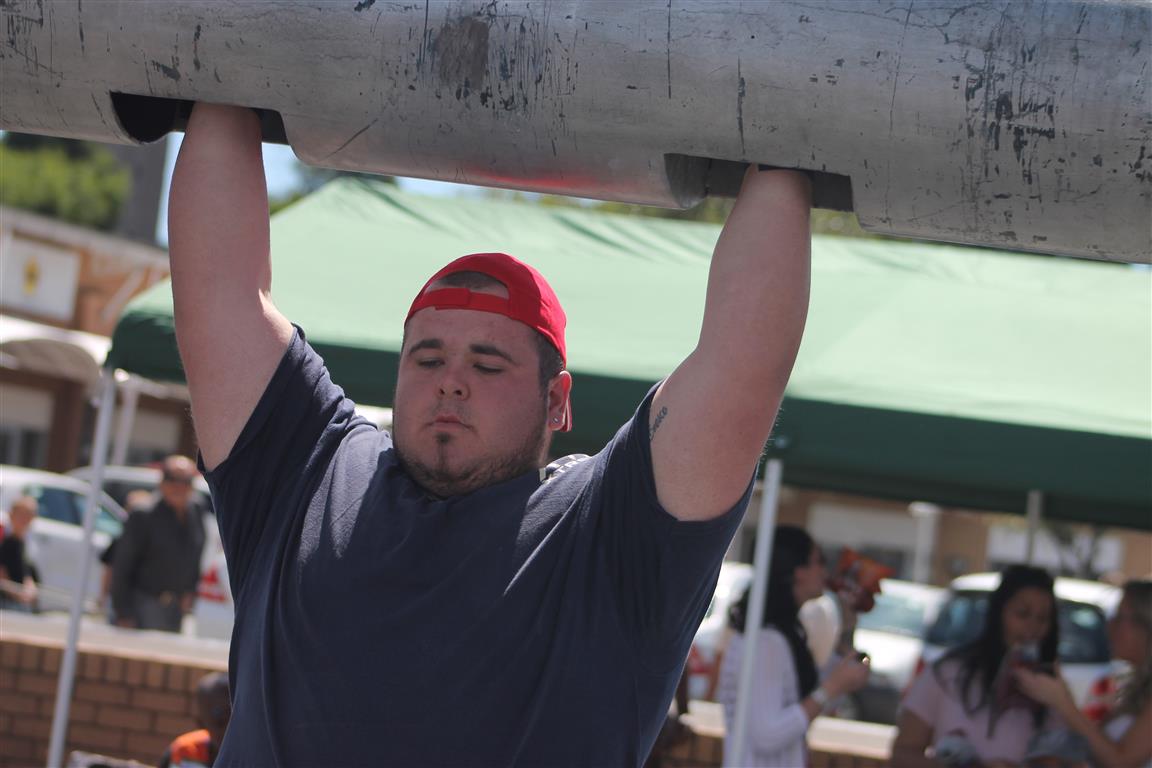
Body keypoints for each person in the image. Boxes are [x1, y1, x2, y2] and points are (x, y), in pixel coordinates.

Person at [168, 103, 812, 766]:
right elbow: (218, 288)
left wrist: (779, 112)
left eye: (487, 364)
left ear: (556, 400)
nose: (450, 382)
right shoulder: (305, 469)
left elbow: (742, 360)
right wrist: (228, 72)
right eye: (427, 359)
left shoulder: (612, 535)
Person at [715, 526, 871, 767]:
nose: (825, 571)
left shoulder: (775, 634)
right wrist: (830, 689)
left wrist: (848, 624)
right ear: (798, 571)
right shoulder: (766, 641)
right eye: (819, 561)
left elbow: (798, 699)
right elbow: (768, 735)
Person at [892, 564, 1062, 767]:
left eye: (1042, 619)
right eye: (1022, 614)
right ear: (998, 613)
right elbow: (902, 755)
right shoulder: (948, 672)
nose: (1032, 628)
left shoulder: (1052, 692)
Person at [1015, 580, 1152, 768]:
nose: (1110, 624)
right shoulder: (1135, 686)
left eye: (1120, 617)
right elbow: (1100, 749)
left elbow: (1121, 761)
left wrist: (1062, 702)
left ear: (1146, 627)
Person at [110, 456, 206, 632]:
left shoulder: (196, 511)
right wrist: (123, 613)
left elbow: (197, 554)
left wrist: (190, 591)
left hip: (175, 608)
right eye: (172, 479)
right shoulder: (143, 514)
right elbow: (122, 566)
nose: (179, 486)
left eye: (185, 481)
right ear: (162, 482)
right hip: (142, 604)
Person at [159, 671, 231, 768]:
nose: (229, 728)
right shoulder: (185, 752)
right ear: (201, 723)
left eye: (234, 719)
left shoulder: (250, 753)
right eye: (221, 722)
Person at [0, 496, 40, 612]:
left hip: (19, 602)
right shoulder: (5, 541)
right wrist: (19, 595)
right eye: (22, 515)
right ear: (11, 515)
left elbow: (26, 572)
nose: (25, 519)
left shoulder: (23, 543)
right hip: (6, 603)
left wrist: (30, 589)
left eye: (29, 515)